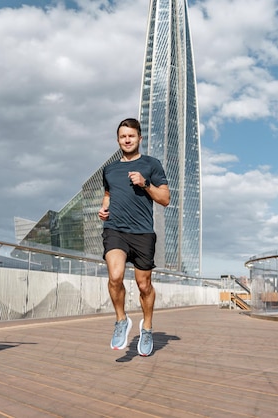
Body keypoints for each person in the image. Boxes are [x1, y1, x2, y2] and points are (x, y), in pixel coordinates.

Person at [98, 118, 170, 356]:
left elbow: (165, 199)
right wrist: (103, 208)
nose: (126, 140)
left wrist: (145, 183)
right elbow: (108, 195)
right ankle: (121, 320)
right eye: (122, 136)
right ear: (118, 140)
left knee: (144, 285)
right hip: (115, 230)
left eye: (131, 136)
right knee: (115, 276)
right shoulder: (109, 170)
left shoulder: (151, 164)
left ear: (140, 138)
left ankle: (147, 327)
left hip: (142, 233)